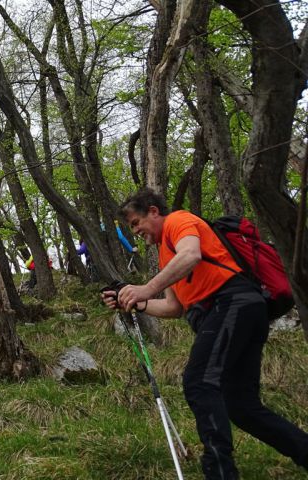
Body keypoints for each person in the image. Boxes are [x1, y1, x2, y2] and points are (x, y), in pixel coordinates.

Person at [101, 188, 308, 479]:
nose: (136, 232)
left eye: (136, 223)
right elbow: (174, 307)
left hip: (233, 303)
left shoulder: (179, 221)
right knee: (241, 406)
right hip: (237, 312)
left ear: (154, 212)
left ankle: (219, 472)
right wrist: (137, 301)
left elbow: (191, 254)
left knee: (199, 381)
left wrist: (146, 287)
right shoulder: (164, 253)